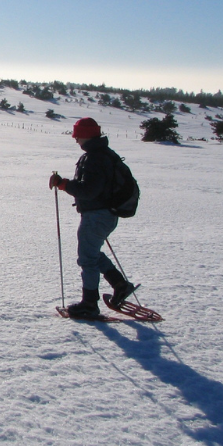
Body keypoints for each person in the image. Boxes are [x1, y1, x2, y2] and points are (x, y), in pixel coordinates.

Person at [49, 117, 136, 318]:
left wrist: (63, 184)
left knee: (87, 258)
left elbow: (89, 190)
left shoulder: (95, 158)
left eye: (77, 135)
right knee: (92, 253)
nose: (75, 139)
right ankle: (120, 285)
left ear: (86, 135)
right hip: (105, 214)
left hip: (97, 215)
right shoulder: (103, 154)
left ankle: (89, 304)